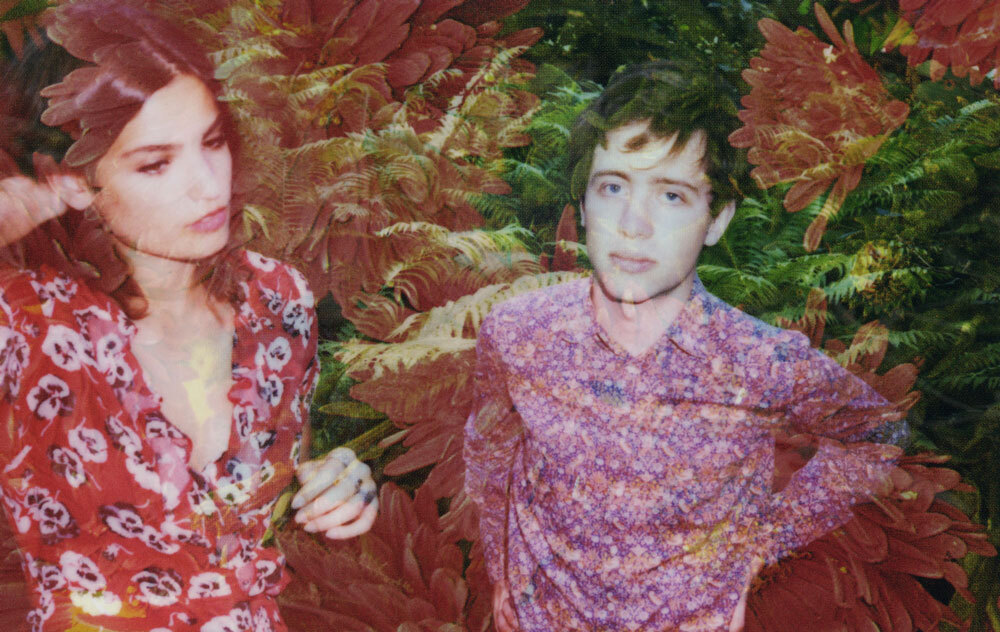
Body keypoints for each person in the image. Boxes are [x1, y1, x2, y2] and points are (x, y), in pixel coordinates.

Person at [463, 62, 907, 632]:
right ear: (584, 205)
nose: (633, 224)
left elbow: (876, 437)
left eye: (672, 195)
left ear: (716, 220)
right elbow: (490, 446)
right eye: (613, 187)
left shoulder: (758, 361)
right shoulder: (518, 333)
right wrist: (502, 566)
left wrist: (763, 544)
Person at [0, 2, 377, 630]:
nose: (208, 185)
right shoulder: (32, 326)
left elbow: (267, 489)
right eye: (156, 163)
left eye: (213, 141)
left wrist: (335, 482)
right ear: (69, 180)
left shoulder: (277, 299)